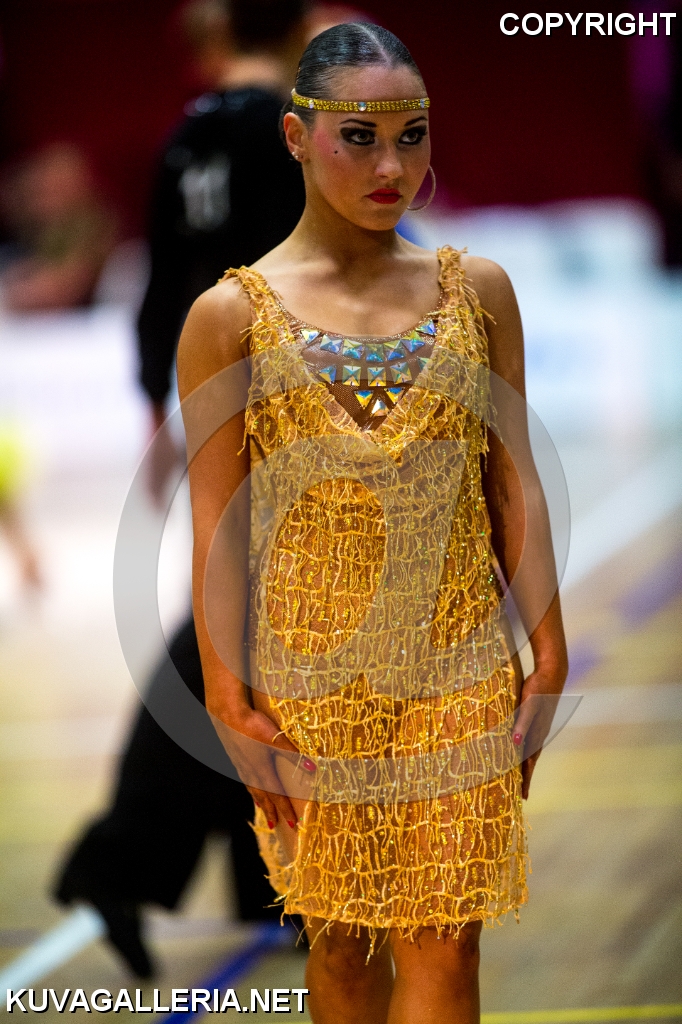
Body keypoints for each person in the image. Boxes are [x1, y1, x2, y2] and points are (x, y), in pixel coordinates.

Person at [178, 21, 568, 1024]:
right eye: (359, 137)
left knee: (448, 936)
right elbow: (218, 520)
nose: (392, 166)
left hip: (459, 662)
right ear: (296, 136)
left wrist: (550, 653)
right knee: (343, 946)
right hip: (309, 677)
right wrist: (225, 695)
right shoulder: (228, 317)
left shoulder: (478, 293)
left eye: (412, 135)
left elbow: (512, 481)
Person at [55, 0, 309, 980]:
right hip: (285, 410)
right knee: (243, 631)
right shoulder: (293, 132)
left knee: (256, 633)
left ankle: (266, 879)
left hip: (213, 404)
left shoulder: (186, 138)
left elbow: (163, 290)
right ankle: (120, 858)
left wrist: (157, 407)